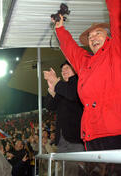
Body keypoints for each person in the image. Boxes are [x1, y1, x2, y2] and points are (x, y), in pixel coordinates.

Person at [52, 0, 121, 151]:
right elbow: (70, 49)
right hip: (91, 135)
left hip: (115, 133)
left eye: (98, 34)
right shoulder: (85, 62)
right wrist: (60, 28)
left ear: (109, 37)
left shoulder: (116, 51)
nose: (93, 38)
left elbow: (117, 17)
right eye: (90, 37)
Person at [44, 62, 84, 175]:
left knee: (77, 170)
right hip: (61, 139)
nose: (64, 71)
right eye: (62, 70)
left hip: (75, 138)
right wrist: (51, 91)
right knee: (65, 171)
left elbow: (72, 94)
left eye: (67, 68)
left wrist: (56, 82)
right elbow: (50, 106)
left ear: (75, 70)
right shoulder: (61, 88)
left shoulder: (78, 82)